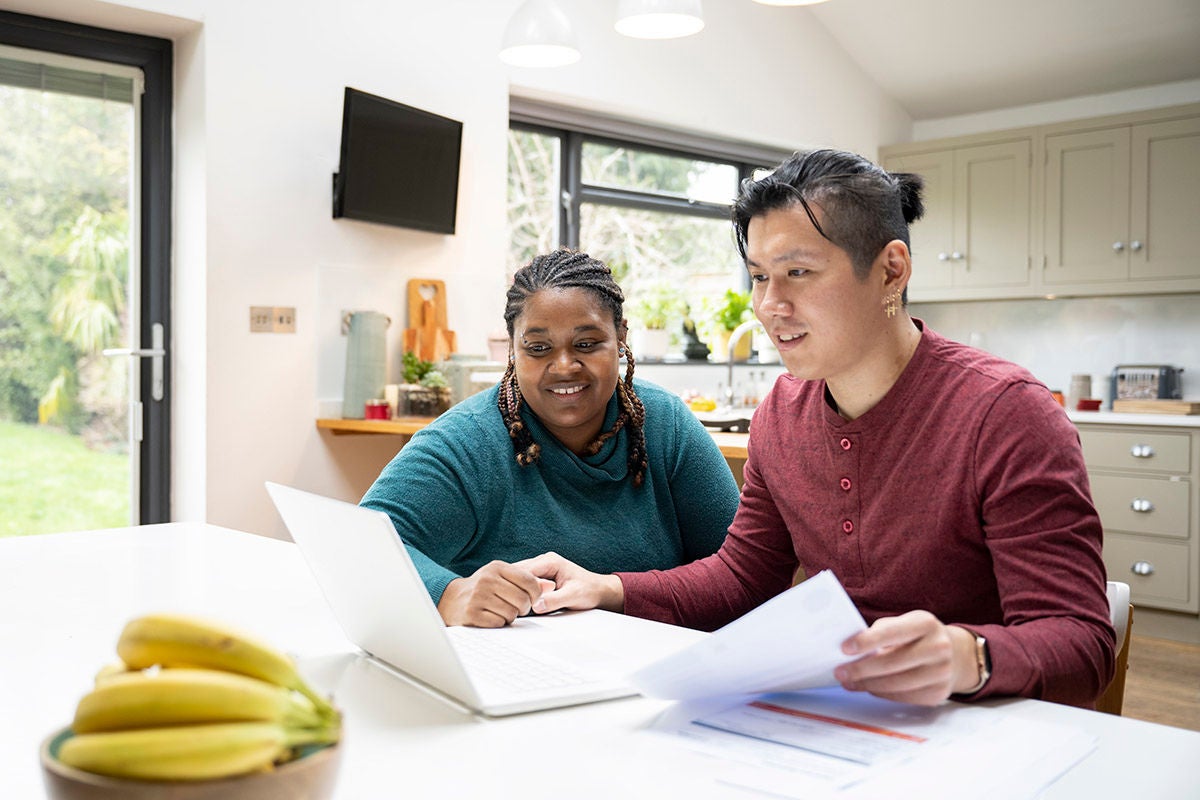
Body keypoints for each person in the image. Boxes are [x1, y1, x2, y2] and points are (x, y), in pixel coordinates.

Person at [523, 149, 1115, 709]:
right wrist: (610, 589)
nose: (768, 304)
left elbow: (1081, 643)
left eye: (797, 272)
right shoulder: (782, 413)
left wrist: (971, 657)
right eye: (758, 276)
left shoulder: (1006, 414)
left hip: (985, 728)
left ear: (890, 271)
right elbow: (742, 578)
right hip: (850, 721)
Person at [360, 248, 739, 628]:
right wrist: (448, 594)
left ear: (621, 337)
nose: (564, 367)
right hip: (522, 677)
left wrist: (613, 589)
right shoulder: (468, 444)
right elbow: (359, 544)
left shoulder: (665, 426)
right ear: (512, 348)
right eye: (538, 348)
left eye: (587, 344)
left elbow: (742, 576)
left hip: (663, 670)